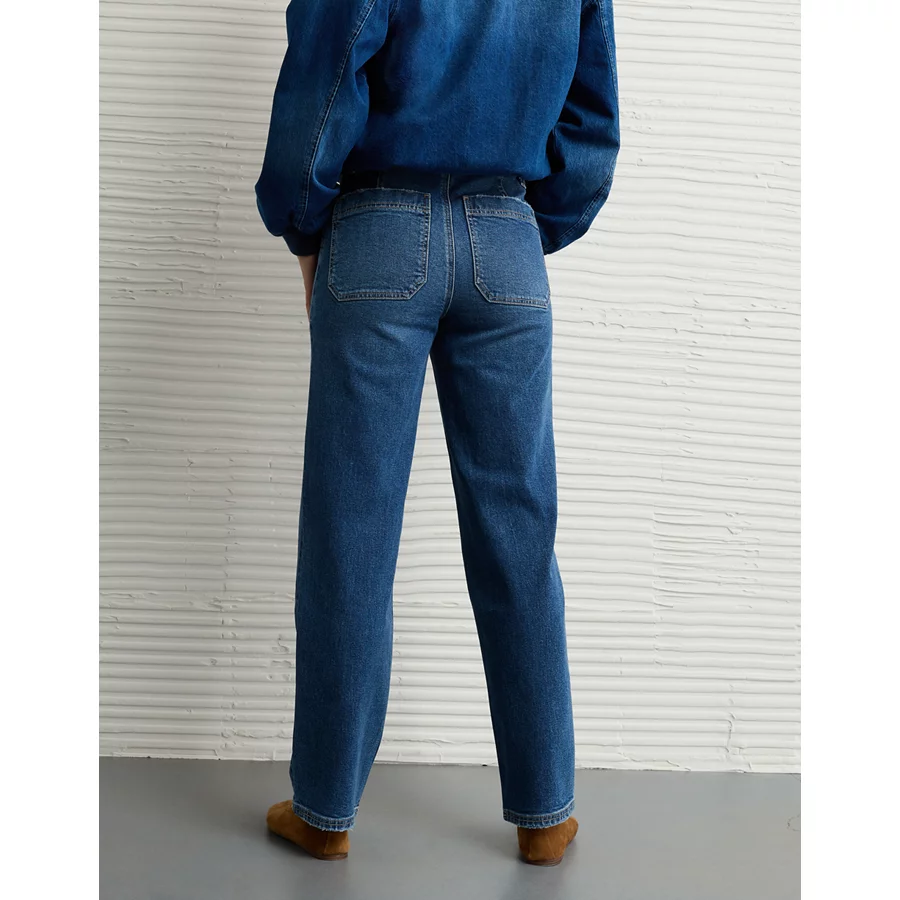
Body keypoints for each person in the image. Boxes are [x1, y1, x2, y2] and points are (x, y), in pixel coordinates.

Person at [254, 0, 619, 866]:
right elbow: (592, 112)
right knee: (519, 534)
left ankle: (325, 811)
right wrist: (520, 226)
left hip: (378, 231)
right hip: (508, 236)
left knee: (351, 534)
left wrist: (303, 224)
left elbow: (328, 69)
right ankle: (545, 814)